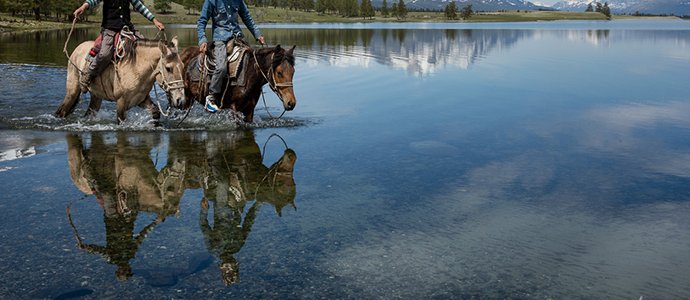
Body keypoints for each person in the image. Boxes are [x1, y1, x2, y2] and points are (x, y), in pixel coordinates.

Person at [73, 0, 165, 91]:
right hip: (110, 29)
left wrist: (154, 21)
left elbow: (140, 7)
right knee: (105, 54)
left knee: (144, 49)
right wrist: (83, 7)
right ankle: (88, 74)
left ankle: (144, 80)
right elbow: (93, 1)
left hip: (128, 28)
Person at [197, 0, 265, 113]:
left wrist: (257, 34)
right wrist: (202, 39)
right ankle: (211, 97)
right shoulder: (211, 1)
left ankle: (249, 94)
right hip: (220, 39)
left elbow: (247, 17)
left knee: (253, 63)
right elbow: (201, 22)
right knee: (221, 67)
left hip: (238, 37)